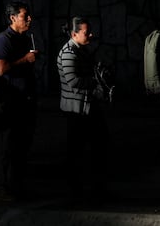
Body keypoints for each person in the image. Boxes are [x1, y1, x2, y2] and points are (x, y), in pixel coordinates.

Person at [56, 16, 109, 204]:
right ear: (74, 34)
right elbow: (74, 81)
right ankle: (77, 191)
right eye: (87, 32)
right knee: (77, 152)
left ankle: (90, 189)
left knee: (95, 148)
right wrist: (96, 81)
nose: (91, 35)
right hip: (76, 111)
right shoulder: (69, 53)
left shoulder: (80, 50)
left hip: (86, 107)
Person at [0, 0, 38, 202]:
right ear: (12, 18)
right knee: (5, 146)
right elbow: (1, 69)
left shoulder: (25, 38)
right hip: (8, 101)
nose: (29, 19)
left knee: (22, 145)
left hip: (25, 100)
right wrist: (25, 60)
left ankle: (16, 186)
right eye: (24, 16)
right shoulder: (3, 40)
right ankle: (0, 189)